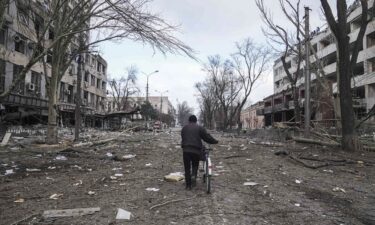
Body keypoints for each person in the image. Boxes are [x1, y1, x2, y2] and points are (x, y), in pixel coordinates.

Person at [181, 115, 218, 190]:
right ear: (196, 121)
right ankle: (194, 175)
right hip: (196, 150)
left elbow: (183, 137)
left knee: (187, 168)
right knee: (195, 164)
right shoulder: (199, 128)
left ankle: (188, 186)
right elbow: (207, 137)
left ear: (189, 120)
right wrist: (215, 141)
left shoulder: (184, 128)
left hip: (186, 150)